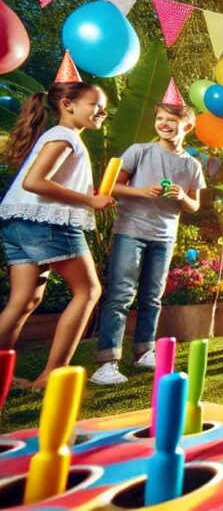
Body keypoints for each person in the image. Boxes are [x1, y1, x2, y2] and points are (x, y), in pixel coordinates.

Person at [0, 82, 114, 389]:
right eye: (95, 104)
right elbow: (36, 181)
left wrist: (85, 194)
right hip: (48, 224)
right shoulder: (64, 137)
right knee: (88, 291)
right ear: (67, 104)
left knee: (23, 301)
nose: (101, 111)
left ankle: (2, 376)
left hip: (19, 223)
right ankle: (51, 373)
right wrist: (90, 200)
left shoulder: (61, 137)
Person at [91, 101, 204, 385]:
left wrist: (182, 197)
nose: (164, 124)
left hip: (164, 236)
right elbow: (111, 187)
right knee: (120, 295)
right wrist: (142, 191)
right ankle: (107, 363)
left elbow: (194, 206)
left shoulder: (192, 165)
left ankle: (144, 353)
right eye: (161, 119)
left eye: (171, 120)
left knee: (152, 297)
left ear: (187, 126)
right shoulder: (139, 151)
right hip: (131, 230)